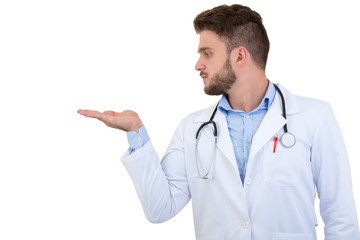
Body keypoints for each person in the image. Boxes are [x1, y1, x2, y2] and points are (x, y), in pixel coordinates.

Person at [77, 4, 360, 240]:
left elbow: (341, 219)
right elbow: (160, 208)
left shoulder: (315, 117)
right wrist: (136, 133)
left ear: (239, 55)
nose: (198, 64)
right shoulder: (193, 128)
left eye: (207, 53)